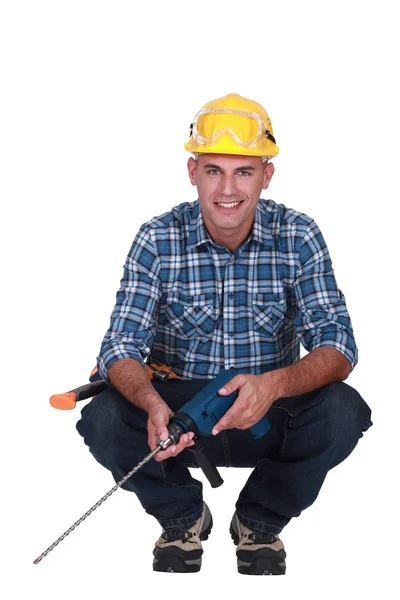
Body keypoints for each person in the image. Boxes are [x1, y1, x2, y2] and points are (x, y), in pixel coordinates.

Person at [76, 93, 372, 575]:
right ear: (193, 172)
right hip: (178, 419)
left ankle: (258, 521)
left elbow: (339, 344)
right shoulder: (158, 238)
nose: (227, 188)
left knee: (343, 410)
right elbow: (120, 345)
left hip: (267, 408)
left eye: (244, 171)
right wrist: (150, 402)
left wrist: (272, 384)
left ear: (267, 175)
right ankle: (182, 517)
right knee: (104, 416)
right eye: (214, 170)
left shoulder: (298, 235)